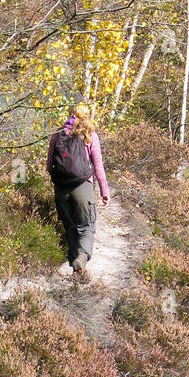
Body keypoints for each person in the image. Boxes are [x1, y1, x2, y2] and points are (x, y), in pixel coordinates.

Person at [46, 103, 110, 278]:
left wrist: (60, 180)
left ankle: (77, 272)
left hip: (61, 190)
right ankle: (81, 258)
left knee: (71, 228)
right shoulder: (90, 135)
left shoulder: (57, 134)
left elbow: (49, 166)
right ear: (88, 116)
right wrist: (105, 192)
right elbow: (98, 167)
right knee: (87, 227)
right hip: (83, 188)